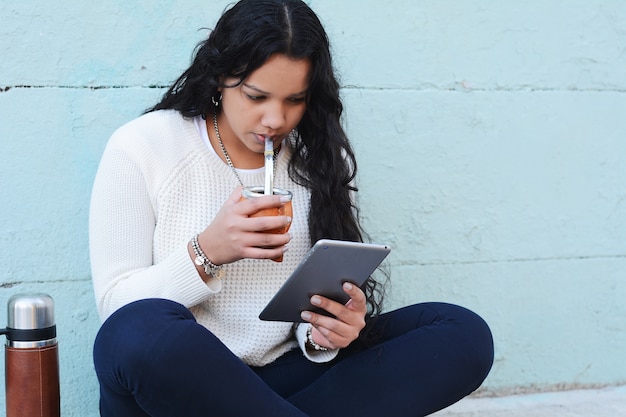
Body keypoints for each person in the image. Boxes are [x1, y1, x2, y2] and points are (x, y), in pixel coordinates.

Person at [89, 0, 494, 416]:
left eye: (294, 100)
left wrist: (325, 333)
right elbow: (118, 309)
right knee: (137, 329)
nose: (274, 119)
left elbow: (310, 308)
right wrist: (207, 251)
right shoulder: (144, 146)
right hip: (187, 382)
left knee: (462, 333)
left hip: (284, 379)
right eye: (256, 96)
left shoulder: (314, 160)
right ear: (218, 77)